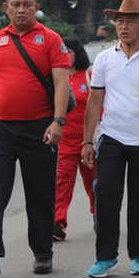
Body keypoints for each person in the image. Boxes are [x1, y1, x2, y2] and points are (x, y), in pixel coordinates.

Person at [0, 0, 71, 277]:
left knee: (39, 192)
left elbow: (62, 83)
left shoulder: (50, 39)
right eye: (16, 4)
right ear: (6, 8)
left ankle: (42, 252)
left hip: (40, 128)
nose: (22, 9)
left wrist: (58, 121)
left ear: (36, 7)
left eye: (27, 4)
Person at [81, 0, 139, 278]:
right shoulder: (104, 59)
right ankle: (106, 258)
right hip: (112, 140)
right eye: (120, 21)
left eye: (130, 21)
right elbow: (94, 102)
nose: (124, 26)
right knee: (106, 198)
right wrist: (87, 141)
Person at [53, 37, 96, 241]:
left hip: (88, 140)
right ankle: (58, 223)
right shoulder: (54, 78)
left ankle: (99, 215)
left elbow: (99, 106)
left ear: (78, 53)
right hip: (64, 141)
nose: (66, 55)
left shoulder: (89, 77)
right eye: (62, 51)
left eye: (69, 51)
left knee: (95, 182)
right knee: (62, 182)